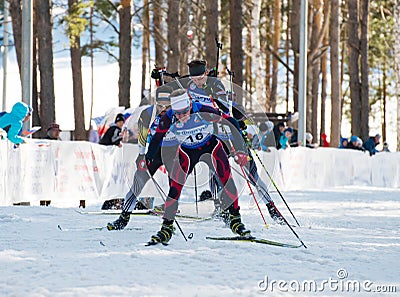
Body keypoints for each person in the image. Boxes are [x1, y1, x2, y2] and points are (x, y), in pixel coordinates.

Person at [145, 89, 251, 245]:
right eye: (178, 114)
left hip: (211, 147)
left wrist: (241, 150)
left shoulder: (203, 110)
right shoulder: (168, 118)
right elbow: (156, 139)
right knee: (175, 187)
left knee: (227, 179)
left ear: (189, 105)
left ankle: (236, 220)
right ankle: (166, 227)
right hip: (187, 152)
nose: (181, 117)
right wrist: (148, 159)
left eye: (184, 112)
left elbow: (232, 122)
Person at [107, 85, 175, 230]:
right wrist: (141, 154)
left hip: (171, 151)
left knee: (174, 185)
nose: (164, 109)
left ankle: (169, 221)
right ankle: (124, 216)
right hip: (154, 151)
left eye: (167, 106)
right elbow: (142, 137)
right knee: (138, 183)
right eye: (161, 105)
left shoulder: (176, 113)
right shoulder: (147, 114)